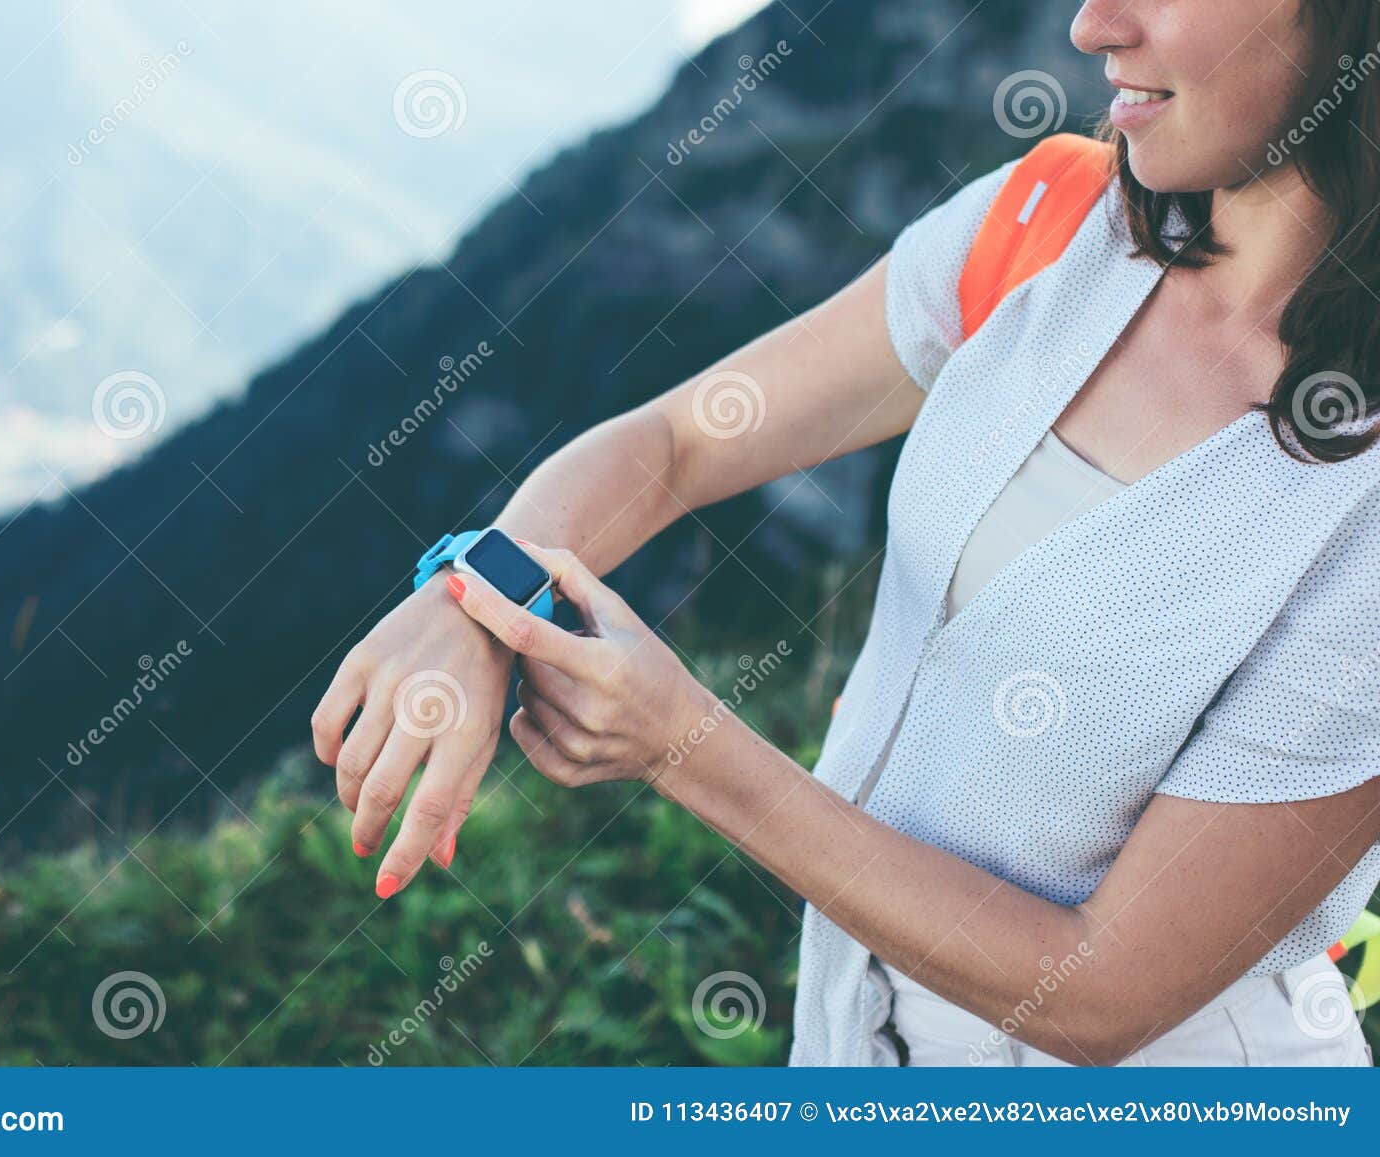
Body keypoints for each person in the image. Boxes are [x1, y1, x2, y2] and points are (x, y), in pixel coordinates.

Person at [313, 0, 1380, 1065]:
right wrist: (481, 594)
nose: (1091, 27)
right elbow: (682, 438)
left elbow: (1097, 990)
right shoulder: (1049, 220)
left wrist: (683, 743)